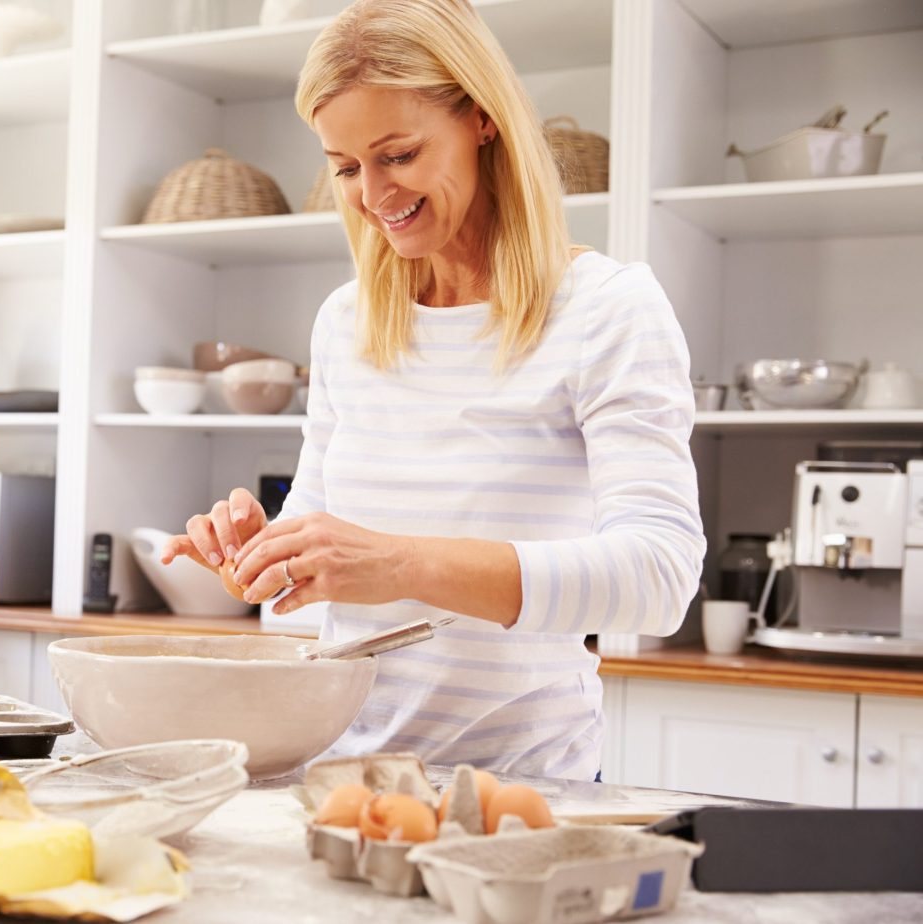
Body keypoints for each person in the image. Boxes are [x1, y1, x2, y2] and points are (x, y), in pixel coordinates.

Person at [161, 0, 704, 781]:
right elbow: (322, 578)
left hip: (523, 788)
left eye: (400, 154)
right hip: (341, 781)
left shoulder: (606, 308)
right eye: (345, 167)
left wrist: (404, 563)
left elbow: (658, 578)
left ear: (481, 120)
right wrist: (264, 554)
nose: (372, 193)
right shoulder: (348, 321)